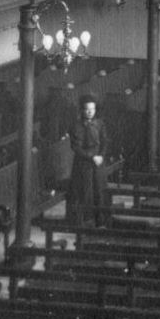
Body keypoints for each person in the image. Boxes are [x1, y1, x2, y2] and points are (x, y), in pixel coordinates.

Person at [66, 94, 109, 226]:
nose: (90, 112)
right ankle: (87, 222)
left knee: (100, 191)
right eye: (87, 109)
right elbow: (76, 147)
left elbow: (104, 141)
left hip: (98, 163)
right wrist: (92, 157)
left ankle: (101, 221)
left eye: (92, 109)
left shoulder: (100, 123)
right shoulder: (76, 126)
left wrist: (101, 156)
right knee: (86, 193)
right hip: (83, 164)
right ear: (82, 110)